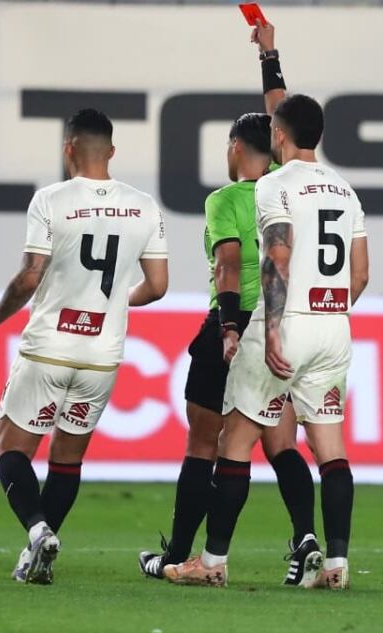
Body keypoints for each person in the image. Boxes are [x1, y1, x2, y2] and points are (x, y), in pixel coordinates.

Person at [164, 92, 370, 590]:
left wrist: (274, 326)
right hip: (333, 325)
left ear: (279, 135)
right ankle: (337, 566)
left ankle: (210, 561)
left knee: (235, 439)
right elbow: (359, 275)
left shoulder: (273, 186)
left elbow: (277, 254)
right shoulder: (345, 191)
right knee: (330, 449)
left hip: (286, 323)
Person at [0, 108, 168, 585]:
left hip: (50, 347)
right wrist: (111, 304)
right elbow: (157, 285)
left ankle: (37, 529)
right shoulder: (144, 205)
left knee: (9, 447)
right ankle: (38, 555)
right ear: (111, 151)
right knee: (67, 459)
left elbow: (31, 275)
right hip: (102, 356)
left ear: (67, 147)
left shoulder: (50, 200)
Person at [136, 112, 320, 587]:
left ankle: (180, 555)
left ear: (236, 147)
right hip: (290, 327)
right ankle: (307, 539)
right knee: (281, 443)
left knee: (205, 446)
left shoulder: (225, 199)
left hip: (235, 324)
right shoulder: (287, 190)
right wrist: (270, 59)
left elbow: (229, 266)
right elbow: (289, 111)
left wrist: (230, 327)